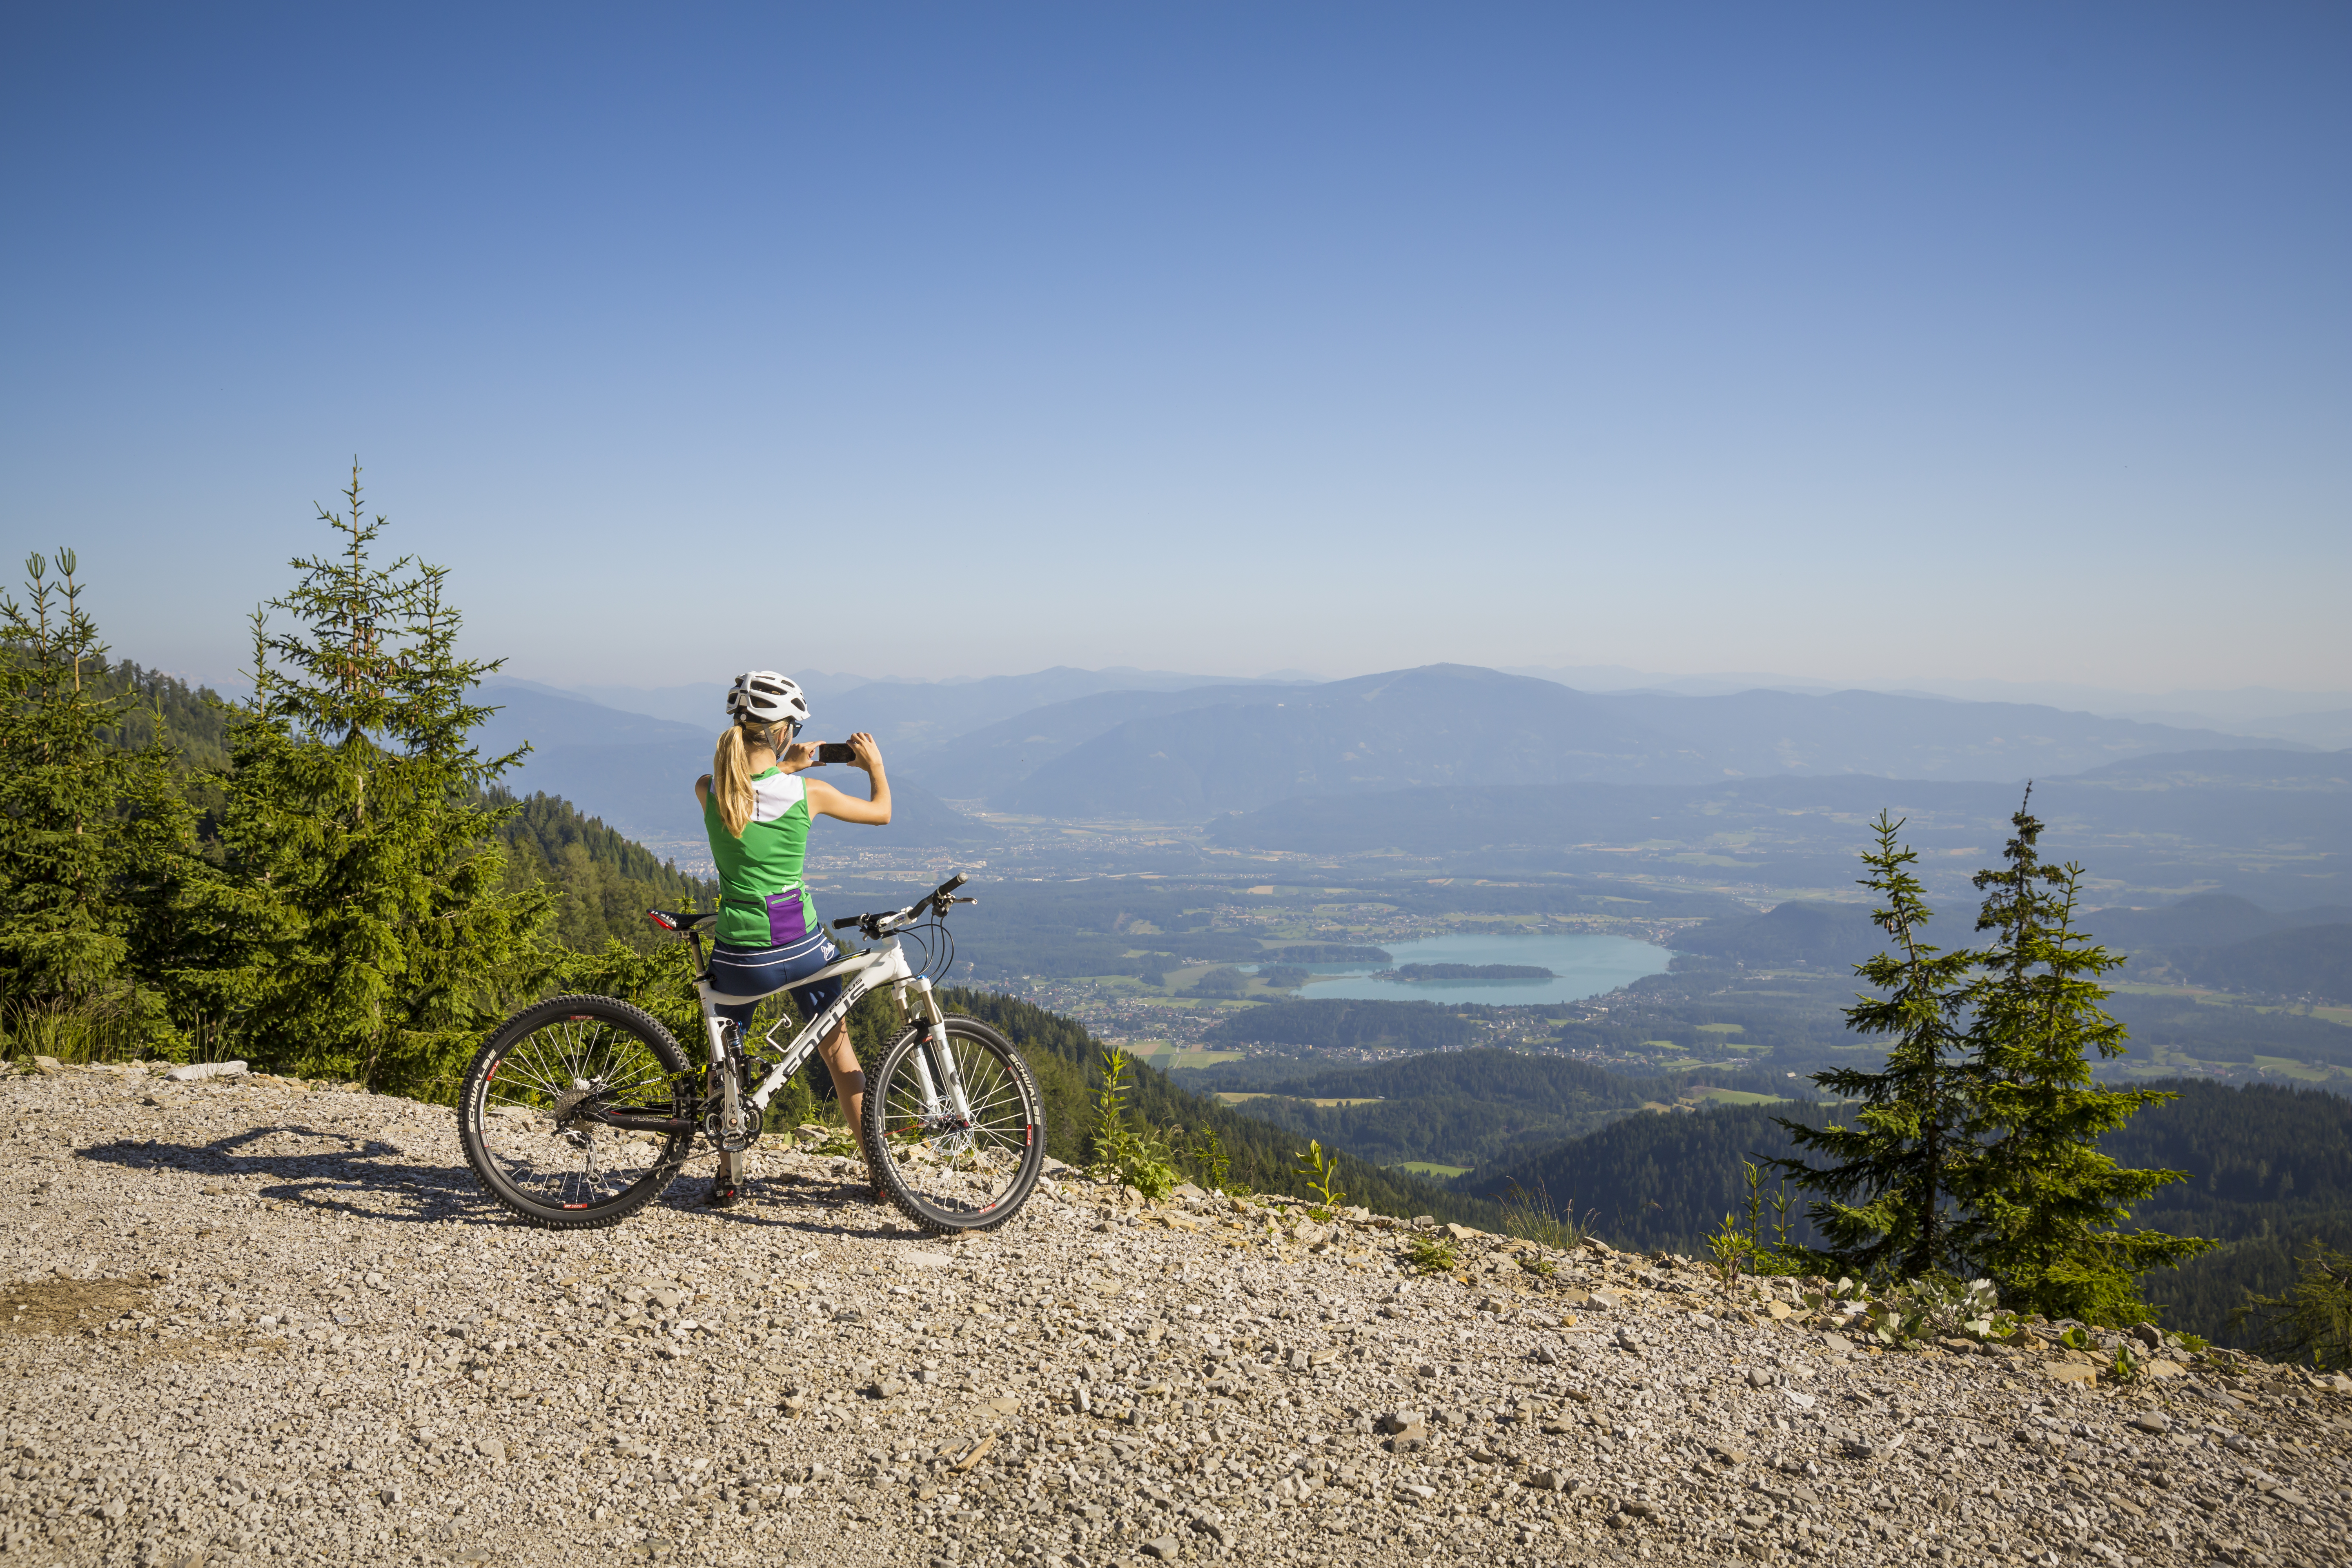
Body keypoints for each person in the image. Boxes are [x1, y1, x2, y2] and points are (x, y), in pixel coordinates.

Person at [695, 670, 891, 1207]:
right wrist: (874, 767)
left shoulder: (709, 791)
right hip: (800, 946)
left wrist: (784, 763)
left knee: (726, 1063)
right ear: (783, 731)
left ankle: (728, 1177)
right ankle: (879, 1172)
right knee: (838, 1051)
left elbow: (746, 791)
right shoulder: (812, 794)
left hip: (740, 952)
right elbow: (882, 813)